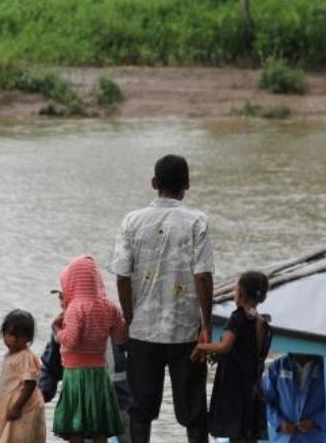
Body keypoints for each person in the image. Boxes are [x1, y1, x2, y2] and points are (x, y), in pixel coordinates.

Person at [107, 154, 215, 443]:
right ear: (187, 185)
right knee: (194, 411)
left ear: (154, 183)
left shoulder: (132, 221)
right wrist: (206, 325)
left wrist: (131, 319)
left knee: (140, 410)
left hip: (143, 332)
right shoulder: (197, 222)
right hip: (186, 332)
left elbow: (121, 276)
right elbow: (203, 276)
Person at [51, 255, 128, 443]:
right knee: (98, 426)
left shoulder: (75, 309)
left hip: (76, 375)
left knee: (75, 428)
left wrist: (57, 331)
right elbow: (120, 336)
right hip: (100, 374)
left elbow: (71, 340)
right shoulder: (109, 307)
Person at [191, 271, 272, 443]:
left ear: (240, 293)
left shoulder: (237, 318)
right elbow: (247, 352)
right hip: (253, 387)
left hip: (234, 389)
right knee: (249, 435)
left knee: (236, 436)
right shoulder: (261, 322)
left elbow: (225, 346)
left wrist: (201, 346)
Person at [38, 333, 133, 443]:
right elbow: (51, 365)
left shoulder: (118, 322)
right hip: (81, 405)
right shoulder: (66, 324)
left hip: (118, 402)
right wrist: (43, 391)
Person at [262, 353, 326, 443]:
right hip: (286, 438)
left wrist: (315, 421)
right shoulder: (278, 366)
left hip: (317, 437)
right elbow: (265, 400)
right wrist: (280, 423)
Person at [0, 309, 47, 443]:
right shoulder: (10, 355)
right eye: (10, 334)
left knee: (19, 437)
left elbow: (30, 383)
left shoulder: (25, 356)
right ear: (3, 333)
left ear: (28, 338)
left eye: (19, 336)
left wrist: (16, 407)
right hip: (10, 403)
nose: (13, 340)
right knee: (7, 436)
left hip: (23, 405)